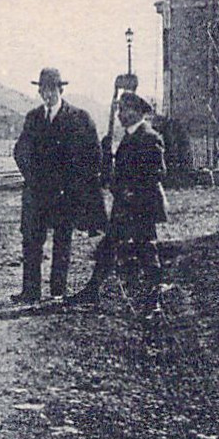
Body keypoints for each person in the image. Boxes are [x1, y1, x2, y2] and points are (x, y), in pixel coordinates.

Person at [68, 91, 166, 314]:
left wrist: (132, 192)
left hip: (140, 206)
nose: (120, 114)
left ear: (136, 112)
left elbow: (157, 173)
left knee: (146, 249)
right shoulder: (129, 137)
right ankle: (93, 290)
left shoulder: (149, 137)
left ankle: (155, 299)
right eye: (119, 109)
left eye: (124, 110)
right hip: (124, 205)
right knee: (109, 246)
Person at [11, 66, 102, 303]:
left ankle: (57, 292)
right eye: (42, 90)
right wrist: (32, 177)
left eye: (51, 89)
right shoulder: (33, 118)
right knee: (31, 241)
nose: (46, 94)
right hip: (37, 193)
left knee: (62, 241)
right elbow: (20, 151)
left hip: (65, 194)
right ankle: (30, 291)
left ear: (60, 89)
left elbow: (93, 156)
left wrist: (76, 184)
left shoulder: (79, 118)